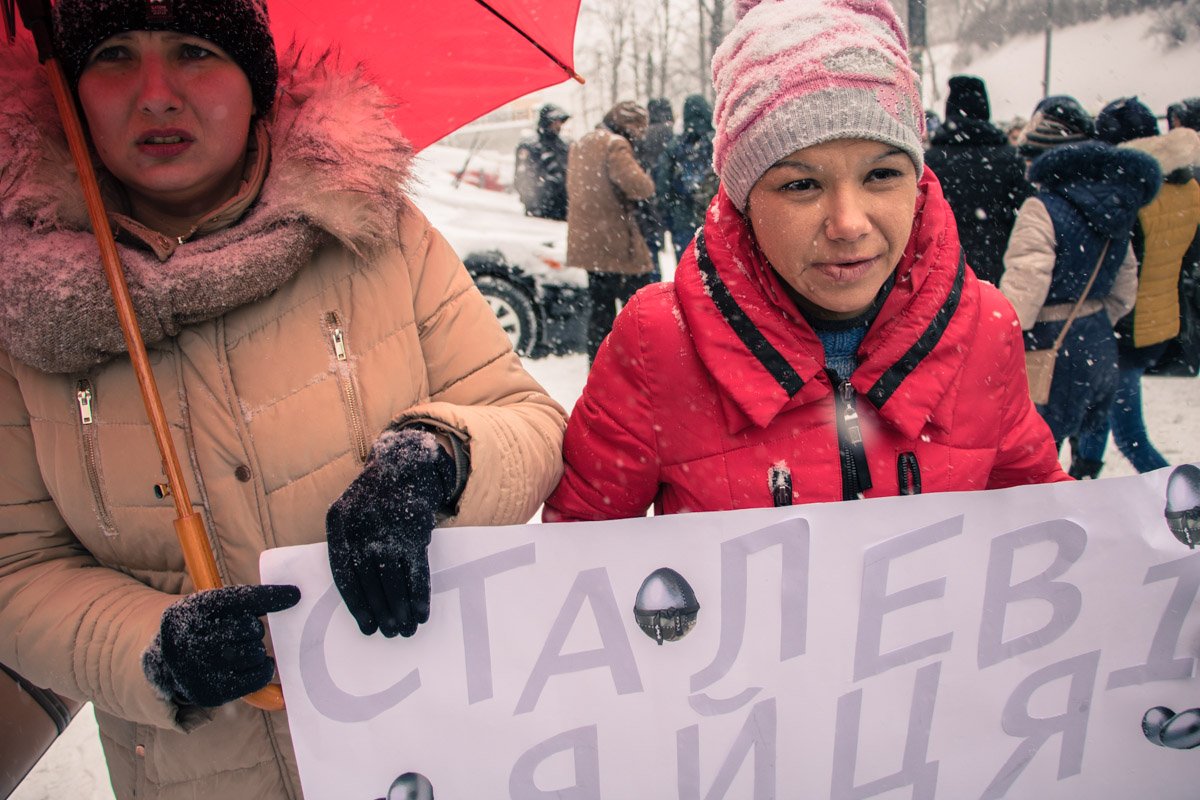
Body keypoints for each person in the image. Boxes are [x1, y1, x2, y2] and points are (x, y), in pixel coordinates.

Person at [0, 2, 567, 798]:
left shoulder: (377, 235)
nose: (156, 92)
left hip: (425, 754)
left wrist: (436, 460)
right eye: (116, 54)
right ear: (67, 83)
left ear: (255, 80)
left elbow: (528, 422)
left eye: (195, 50)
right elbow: (16, 567)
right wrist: (151, 647)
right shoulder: (20, 308)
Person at [543, 0, 1068, 522]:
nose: (849, 223)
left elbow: (1041, 519)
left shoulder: (983, 327)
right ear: (745, 201)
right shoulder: (658, 341)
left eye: (881, 175)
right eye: (801, 184)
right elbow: (584, 549)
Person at [1000, 101, 1161, 461]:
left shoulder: (1041, 207)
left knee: (1037, 449)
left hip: (1048, 344)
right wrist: (1097, 317)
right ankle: (1085, 494)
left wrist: (1002, 337)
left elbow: (1026, 286)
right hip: (1100, 338)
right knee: (1089, 442)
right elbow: (1125, 283)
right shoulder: (1118, 206)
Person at [1070, 97, 1200, 477]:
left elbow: (1110, 267)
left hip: (1122, 324)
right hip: (1158, 321)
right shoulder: (1188, 186)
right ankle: (1083, 475)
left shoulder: (1129, 194)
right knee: (1099, 412)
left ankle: (1185, 501)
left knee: (1130, 435)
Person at [566, 100, 657, 364]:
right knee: (636, 310)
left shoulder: (581, 143)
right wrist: (646, 178)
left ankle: (599, 367)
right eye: (638, 129)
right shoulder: (614, 144)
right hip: (615, 242)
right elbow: (640, 186)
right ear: (628, 125)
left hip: (587, 242)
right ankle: (636, 367)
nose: (639, 135)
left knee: (600, 311)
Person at [924, 75, 1033, 285]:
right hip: (997, 264)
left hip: (942, 267)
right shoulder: (1010, 159)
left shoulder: (932, 160)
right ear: (985, 110)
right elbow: (1023, 215)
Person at [655, 93, 719, 263]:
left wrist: (668, 212)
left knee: (688, 269)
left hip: (683, 218)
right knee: (720, 270)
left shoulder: (675, 146)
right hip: (717, 218)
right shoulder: (718, 142)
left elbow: (662, 184)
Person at [634, 97, 676, 278]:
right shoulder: (673, 133)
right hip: (674, 199)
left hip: (649, 201)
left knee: (652, 250)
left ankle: (656, 288)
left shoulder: (644, 135)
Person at [514, 103, 571, 220]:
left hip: (562, 210)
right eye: (555, 121)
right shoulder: (531, 146)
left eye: (560, 122)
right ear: (547, 121)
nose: (558, 125)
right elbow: (522, 178)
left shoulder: (564, 146)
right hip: (538, 210)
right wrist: (533, 201)